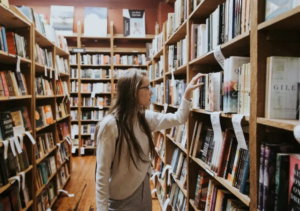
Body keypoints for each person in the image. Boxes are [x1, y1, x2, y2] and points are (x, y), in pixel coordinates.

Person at [95, 69, 203, 211]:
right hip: (121, 199)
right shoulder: (110, 125)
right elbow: (102, 174)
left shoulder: (145, 117)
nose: (152, 92)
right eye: (147, 87)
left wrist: (187, 94)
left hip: (144, 191)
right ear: (134, 92)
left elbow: (179, 118)